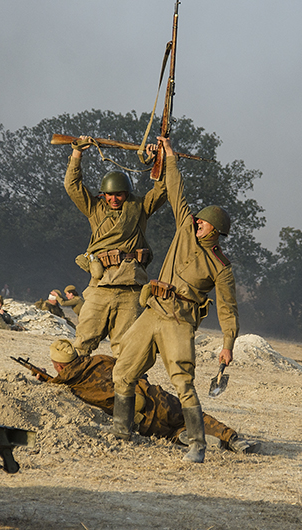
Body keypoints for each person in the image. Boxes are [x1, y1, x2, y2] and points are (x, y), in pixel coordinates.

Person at [111, 136, 239, 463]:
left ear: (214, 231)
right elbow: (176, 189)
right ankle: (121, 431)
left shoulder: (221, 268)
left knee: (183, 382)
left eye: (203, 221)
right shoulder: (184, 228)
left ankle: (198, 444)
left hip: (179, 323)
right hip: (152, 312)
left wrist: (228, 344)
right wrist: (169, 157)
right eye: (197, 219)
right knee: (123, 372)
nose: (197, 221)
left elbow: (227, 309)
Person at [46, 339, 255, 453]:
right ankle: (232, 439)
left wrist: (43, 379)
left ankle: (186, 438)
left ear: (58, 366)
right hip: (156, 396)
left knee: (167, 434)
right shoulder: (99, 359)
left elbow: (54, 387)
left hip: (142, 420)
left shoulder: (68, 383)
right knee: (192, 416)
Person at [65, 137, 167, 358]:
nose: (114, 198)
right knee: (82, 343)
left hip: (130, 289)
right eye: (109, 194)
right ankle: (70, 383)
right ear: (103, 194)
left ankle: (123, 392)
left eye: (119, 194)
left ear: (127, 194)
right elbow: (72, 186)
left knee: (126, 350)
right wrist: (77, 154)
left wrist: (160, 157)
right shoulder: (94, 209)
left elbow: (162, 190)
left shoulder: (139, 208)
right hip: (100, 286)